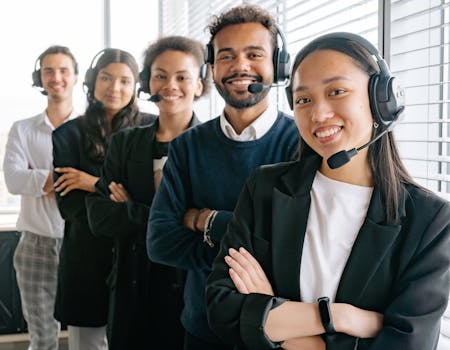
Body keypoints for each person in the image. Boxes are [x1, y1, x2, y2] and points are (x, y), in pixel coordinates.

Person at [206, 32, 450, 350]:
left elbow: (408, 344)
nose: (318, 114)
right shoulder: (266, 189)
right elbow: (223, 308)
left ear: (382, 99)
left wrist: (277, 319)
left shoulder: (427, 218)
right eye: (303, 99)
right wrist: (341, 317)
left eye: (336, 91)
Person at [146, 4, 299, 350]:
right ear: (212, 69)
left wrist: (204, 220)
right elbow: (160, 242)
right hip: (202, 329)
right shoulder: (186, 147)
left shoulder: (302, 145)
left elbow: (294, 250)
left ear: (277, 64)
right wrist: (253, 248)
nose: (240, 66)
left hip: (277, 331)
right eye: (227, 56)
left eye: (254, 54)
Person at [85, 36, 209, 350]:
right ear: (147, 82)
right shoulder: (125, 143)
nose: (171, 85)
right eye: (160, 75)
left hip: (190, 292)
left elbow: (212, 226)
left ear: (199, 85)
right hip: (131, 287)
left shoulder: (213, 145)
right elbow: (100, 217)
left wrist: (133, 209)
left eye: (182, 77)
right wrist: (180, 218)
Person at [52, 48, 155, 350]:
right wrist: (122, 201)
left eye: (125, 80)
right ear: (92, 82)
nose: (115, 87)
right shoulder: (68, 134)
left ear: (136, 85)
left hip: (139, 257)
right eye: (106, 78)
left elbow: (155, 204)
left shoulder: (153, 128)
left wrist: (93, 183)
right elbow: (70, 206)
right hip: (86, 257)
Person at [3, 45, 78, 350]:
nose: (56, 77)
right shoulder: (22, 129)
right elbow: (13, 179)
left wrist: (39, 176)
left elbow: (99, 182)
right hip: (35, 243)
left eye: (63, 70)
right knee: (43, 337)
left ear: (75, 77)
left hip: (83, 243)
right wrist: (67, 178)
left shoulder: (91, 128)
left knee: (90, 334)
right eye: (48, 70)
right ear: (40, 76)